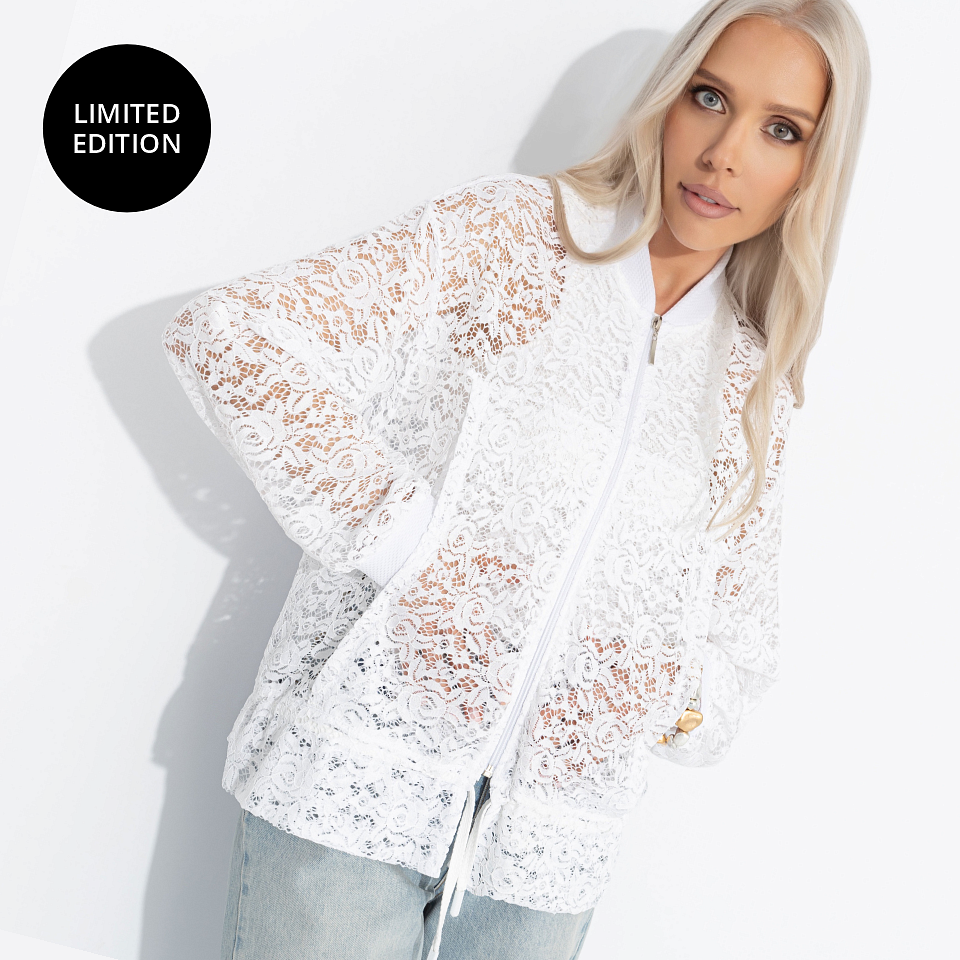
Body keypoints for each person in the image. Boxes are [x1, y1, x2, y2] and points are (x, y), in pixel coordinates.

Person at [162, 1, 870, 957]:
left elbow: (736, 665)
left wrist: (657, 687)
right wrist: (418, 553)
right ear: (668, 100)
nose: (724, 154)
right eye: (710, 98)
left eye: (782, 130)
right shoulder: (512, 238)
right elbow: (233, 338)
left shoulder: (753, 383)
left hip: (542, 864)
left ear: (811, 171)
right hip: (355, 792)